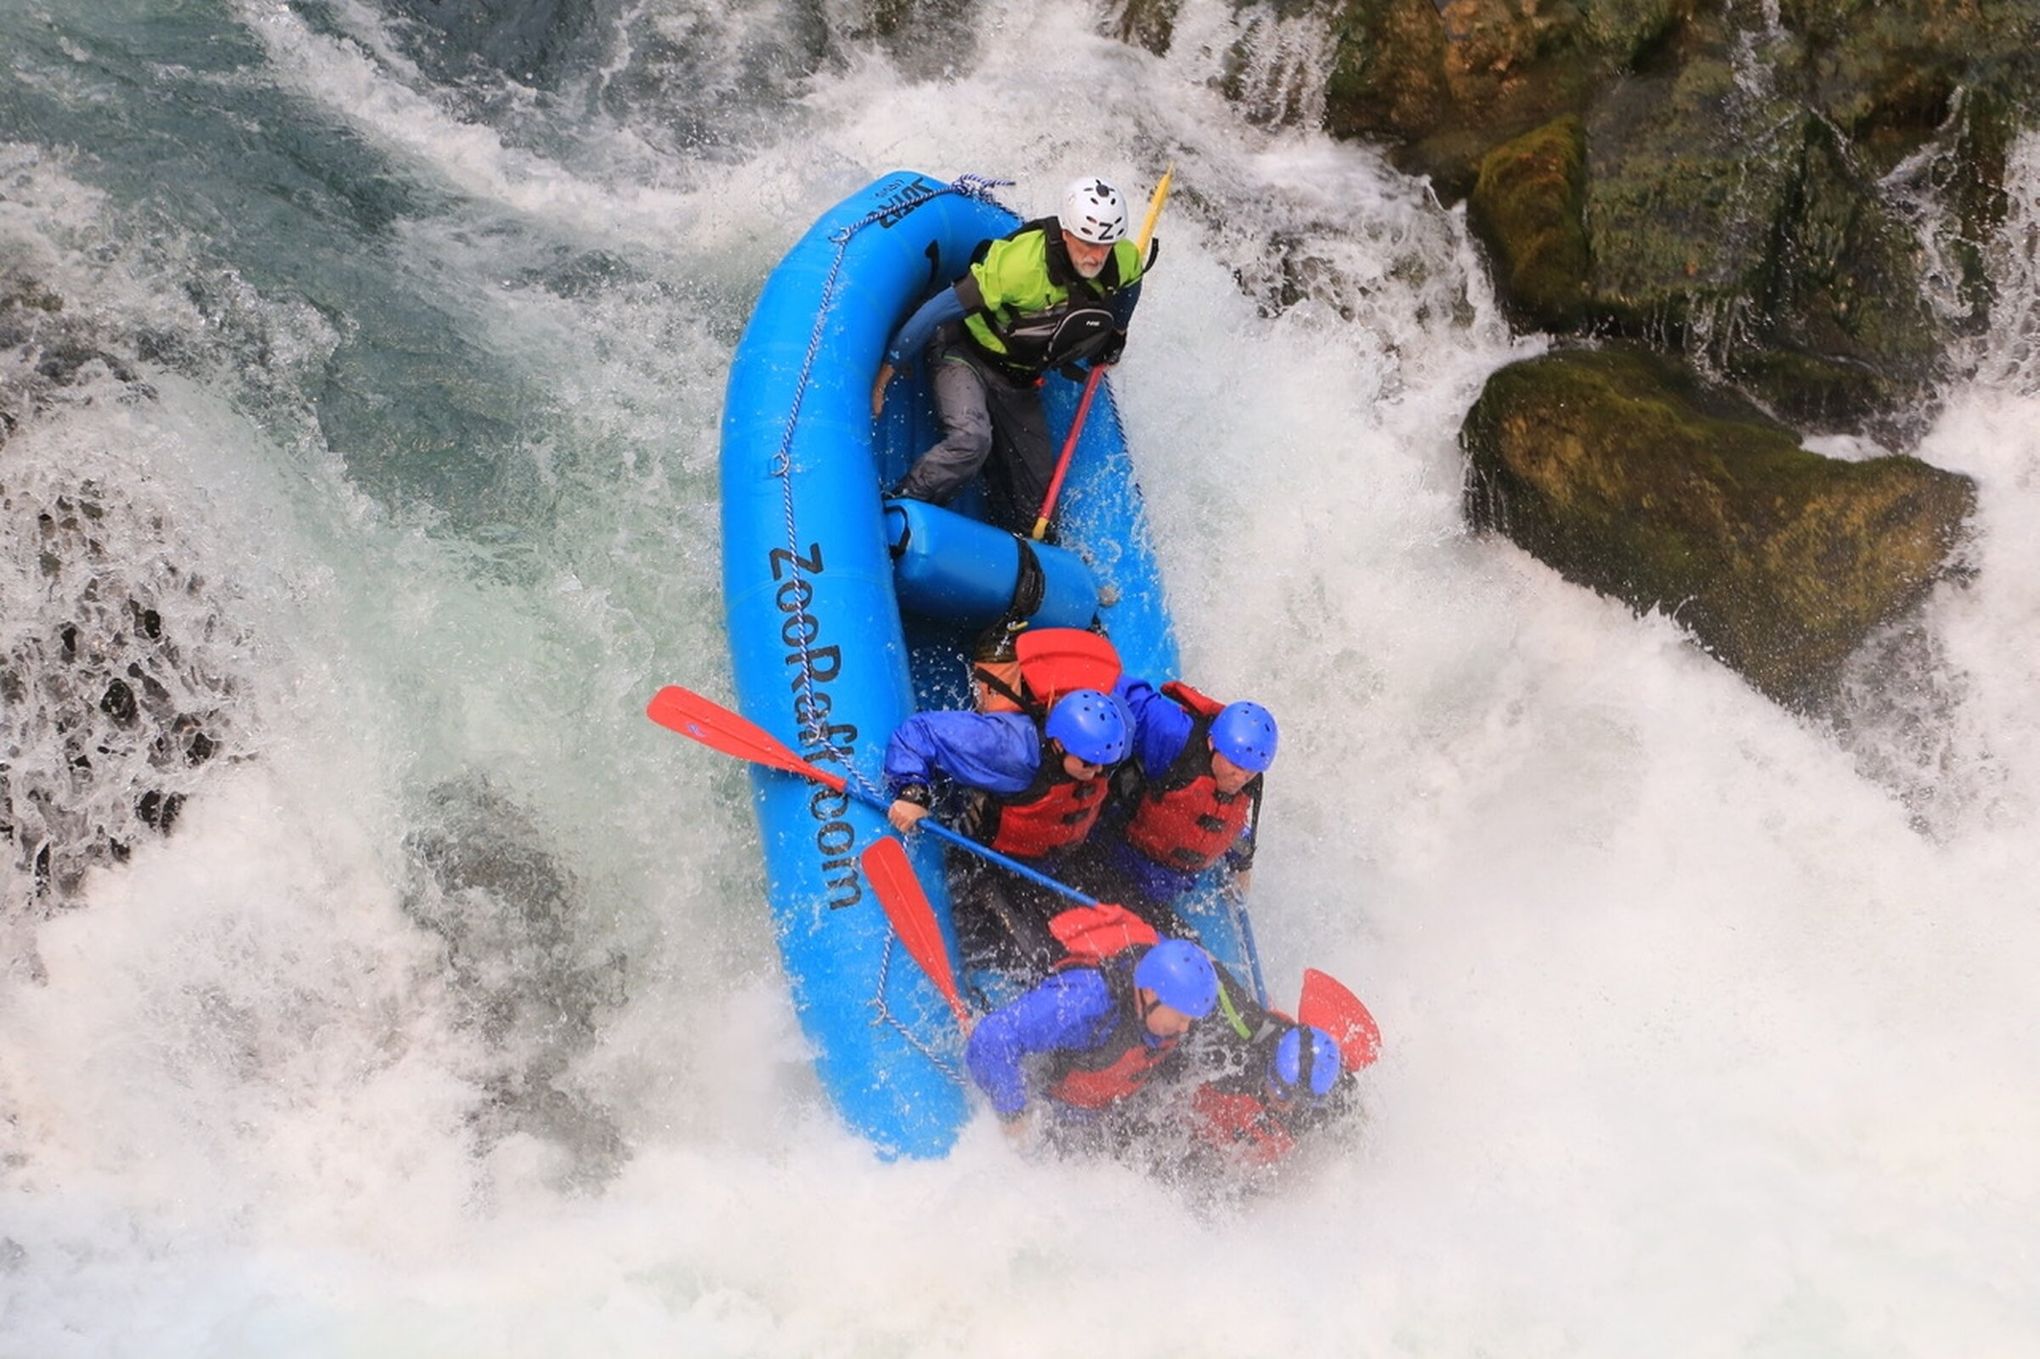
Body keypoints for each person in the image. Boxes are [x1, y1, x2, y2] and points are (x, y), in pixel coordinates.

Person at [871, 175, 1149, 532]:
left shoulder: (1122, 259)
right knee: (971, 441)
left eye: (1105, 244)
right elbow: (940, 309)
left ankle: (1011, 554)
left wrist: (1118, 333)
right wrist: (888, 369)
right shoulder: (1019, 266)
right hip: (963, 352)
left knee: (1039, 513)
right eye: (1086, 242)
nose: (1095, 255)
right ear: (1066, 233)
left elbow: (1131, 285)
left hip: (1018, 378)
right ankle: (899, 506)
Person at [884, 687, 1134, 976]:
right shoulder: (1012, 751)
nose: (1098, 770)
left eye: (1106, 763)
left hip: (1052, 864)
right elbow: (918, 732)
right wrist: (913, 792)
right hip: (988, 864)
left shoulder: (1109, 744)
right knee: (1041, 963)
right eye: (1088, 763)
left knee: (1107, 953)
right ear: (1058, 745)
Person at [966, 919, 1221, 1136]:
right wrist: (1013, 1114)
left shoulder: (1173, 994)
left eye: (1190, 1018)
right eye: (1180, 1016)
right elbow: (993, 1038)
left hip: (1110, 1108)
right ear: (1150, 993)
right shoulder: (1084, 1004)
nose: (1186, 1028)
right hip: (1060, 1106)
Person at [1071, 677, 1279, 934]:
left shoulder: (1249, 775)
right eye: (1236, 767)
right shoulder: (1172, 735)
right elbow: (1119, 691)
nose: (1241, 778)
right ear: (1213, 743)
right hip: (1110, 859)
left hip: (1164, 885)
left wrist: (1242, 864)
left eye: (1250, 772)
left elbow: (1229, 823)